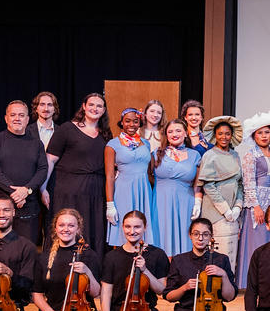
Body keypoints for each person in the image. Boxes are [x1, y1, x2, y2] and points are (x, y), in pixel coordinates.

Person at [20, 209, 102, 311]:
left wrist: (87, 271)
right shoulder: (44, 258)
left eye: (71, 225)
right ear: (55, 228)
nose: (66, 229)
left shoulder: (88, 255)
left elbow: (96, 292)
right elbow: (37, 293)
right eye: (62, 225)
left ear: (78, 229)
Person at [45, 93, 112, 251]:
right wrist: (43, 188)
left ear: (104, 110)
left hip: (96, 192)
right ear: (84, 106)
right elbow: (50, 160)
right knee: (67, 228)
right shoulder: (68, 129)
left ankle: (90, 272)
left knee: (92, 230)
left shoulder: (106, 133)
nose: (94, 108)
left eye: (99, 106)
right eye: (91, 105)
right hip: (68, 190)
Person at [235, 111, 270, 289]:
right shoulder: (251, 156)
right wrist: (256, 206)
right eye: (260, 133)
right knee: (257, 242)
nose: (264, 136)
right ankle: (251, 283)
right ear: (254, 136)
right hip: (258, 203)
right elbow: (248, 182)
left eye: (267, 132)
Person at [0, 100, 47, 244]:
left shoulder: (36, 144)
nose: (17, 118)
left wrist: (27, 190)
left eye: (21, 115)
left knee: (26, 250)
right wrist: (16, 193)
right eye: (13, 115)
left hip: (27, 206)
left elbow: (42, 170)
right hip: (0, 208)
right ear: (6, 118)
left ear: (27, 119)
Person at [194, 116, 244, 272]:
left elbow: (240, 184)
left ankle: (228, 289)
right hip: (216, 212)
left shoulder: (235, 156)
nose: (224, 137)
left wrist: (237, 207)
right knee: (217, 252)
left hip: (233, 214)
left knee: (231, 252)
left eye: (227, 134)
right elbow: (209, 186)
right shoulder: (210, 155)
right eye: (220, 134)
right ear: (215, 135)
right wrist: (225, 209)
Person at [106, 108, 158, 247]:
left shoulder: (146, 143)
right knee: (125, 227)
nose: (131, 124)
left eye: (135, 121)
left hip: (144, 190)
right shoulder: (112, 145)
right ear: (122, 122)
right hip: (124, 190)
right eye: (127, 121)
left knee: (142, 228)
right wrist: (110, 204)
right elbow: (110, 176)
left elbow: (149, 173)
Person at [153, 119, 202, 257]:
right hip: (161, 203)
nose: (174, 134)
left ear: (186, 133)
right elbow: (147, 177)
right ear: (166, 135)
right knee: (162, 239)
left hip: (185, 203)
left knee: (185, 243)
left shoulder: (195, 155)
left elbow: (198, 184)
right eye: (170, 131)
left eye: (178, 130)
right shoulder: (156, 153)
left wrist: (198, 202)